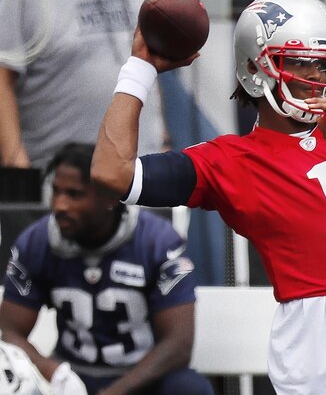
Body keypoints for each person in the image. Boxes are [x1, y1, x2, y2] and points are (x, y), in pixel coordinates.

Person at [91, 0, 326, 395]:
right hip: (319, 369)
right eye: (300, 63)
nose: (317, 77)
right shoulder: (227, 161)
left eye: (323, 64)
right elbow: (111, 173)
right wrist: (139, 69)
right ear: (255, 68)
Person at [0, 143, 214, 395]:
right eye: (56, 192)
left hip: (140, 379)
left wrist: (112, 393)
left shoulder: (156, 242)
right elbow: (10, 331)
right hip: (73, 378)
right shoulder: (37, 242)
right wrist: (53, 371)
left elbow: (178, 345)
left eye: (74, 194)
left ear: (111, 197)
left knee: (188, 388)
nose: (59, 205)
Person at [0, 0, 165, 170]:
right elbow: (3, 79)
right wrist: (17, 165)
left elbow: (148, 64)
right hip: (63, 185)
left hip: (140, 178)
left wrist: (163, 140)